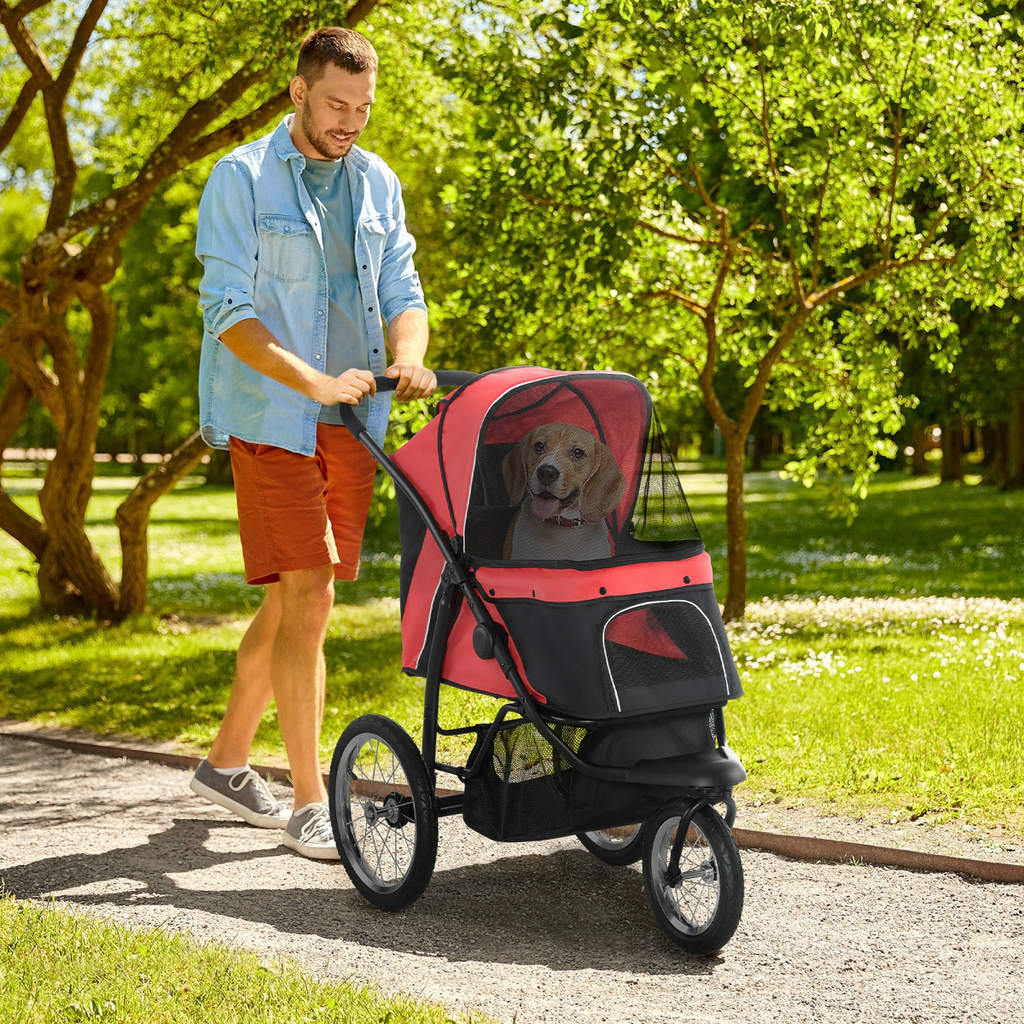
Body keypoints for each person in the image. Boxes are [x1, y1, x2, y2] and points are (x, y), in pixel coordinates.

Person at [189, 26, 435, 860]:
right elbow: (227, 312)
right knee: (313, 598)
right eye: (337, 105)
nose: (351, 123)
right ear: (299, 92)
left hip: (355, 423)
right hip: (274, 419)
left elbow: (402, 285)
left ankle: (225, 765)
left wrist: (408, 357)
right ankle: (306, 801)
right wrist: (316, 383)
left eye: (364, 109)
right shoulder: (242, 179)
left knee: (296, 595)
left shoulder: (375, 183)